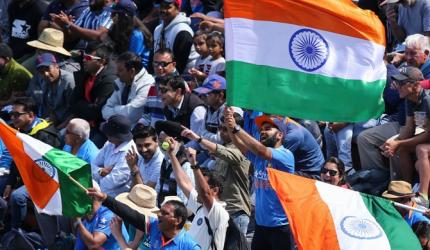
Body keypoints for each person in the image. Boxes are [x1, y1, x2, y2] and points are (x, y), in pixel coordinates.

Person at [224, 108, 295, 250]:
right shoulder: (259, 158)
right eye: (261, 129)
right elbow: (240, 145)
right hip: (261, 226)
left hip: (281, 226)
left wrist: (236, 128)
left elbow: (261, 150)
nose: (262, 131)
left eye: (268, 129)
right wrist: (229, 126)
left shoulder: (285, 155)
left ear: (280, 135)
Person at [180, 113, 252, 235]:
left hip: (236, 211)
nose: (222, 132)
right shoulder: (222, 150)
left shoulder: (242, 149)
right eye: (220, 128)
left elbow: (223, 152)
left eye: (226, 129)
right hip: (220, 211)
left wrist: (198, 139)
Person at [87, 185, 201, 249]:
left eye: (165, 213)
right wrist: (105, 198)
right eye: (160, 211)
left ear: (178, 220)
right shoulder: (155, 226)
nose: (159, 215)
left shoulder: (189, 246)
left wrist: (119, 237)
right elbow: (131, 215)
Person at [165, 136, 229, 249]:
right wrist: (171, 154)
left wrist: (194, 164)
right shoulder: (200, 205)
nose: (197, 189)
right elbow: (184, 182)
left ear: (214, 191)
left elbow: (205, 194)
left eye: (201, 186)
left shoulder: (218, 212)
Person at [381, 67, 430, 206]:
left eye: (402, 83)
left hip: (428, 139)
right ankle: (405, 188)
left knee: (421, 149)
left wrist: (399, 143)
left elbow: (427, 136)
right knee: (402, 148)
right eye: (398, 83)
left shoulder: (427, 100)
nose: (398, 87)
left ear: (415, 85)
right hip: (427, 136)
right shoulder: (410, 99)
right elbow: (409, 129)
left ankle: (423, 196)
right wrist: (393, 142)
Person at [70, 42, 116, 147]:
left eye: (88, 58)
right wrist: (82, 105)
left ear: (102, 61)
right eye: (84, 56)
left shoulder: (109, 80)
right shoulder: (86, 73)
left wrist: (80, 104)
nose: (84, 60)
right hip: (84, 121)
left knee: (82, 147)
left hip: (101, 128)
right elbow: (72, 101)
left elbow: (97, 111)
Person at [102, 52, 155, 124]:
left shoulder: (148, 85)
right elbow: (105, 110)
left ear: (132, 71)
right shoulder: (122, 81)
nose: (116, 73)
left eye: (120, 70)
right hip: (118, 128)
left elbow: (130, 115)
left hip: (137, 132)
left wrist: (115, 109)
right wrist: (123, 110)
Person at [74, 181, 128, 250]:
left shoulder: (109, 214)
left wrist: (78, 222)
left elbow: (94, 244)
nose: (75, 200)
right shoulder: (84, 221)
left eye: (78, 195)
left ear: (90, 196)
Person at [91, 115, 134, 197]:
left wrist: (97, 176)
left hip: (114, 199)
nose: (106, 135)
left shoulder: (129, 152)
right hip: (99, 193)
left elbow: (111, 183)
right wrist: (101, 171)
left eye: (109, 133)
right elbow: (92, 165)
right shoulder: (109, 143)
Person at [153, 0, 199, 74]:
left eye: (168, 7)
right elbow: (153, 56)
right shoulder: (158, 29)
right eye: (161, 6)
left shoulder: (183, 31)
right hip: (163, 74)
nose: (163, 10)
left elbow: (179, 65)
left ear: (178, 8)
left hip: (186, 77)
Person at [35, 53, 75, 129]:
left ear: (56, 66)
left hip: (69, 122)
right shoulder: (44, 81)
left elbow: (74, 112)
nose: (46, 74)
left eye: (48, 69)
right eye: (42, 72)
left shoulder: (69, 82)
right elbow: (49, 106)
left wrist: (58, 129)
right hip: (54, 118)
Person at [109, 0, 152, 68]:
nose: (111, 17)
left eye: (114, 14)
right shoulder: (117, 28)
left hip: (137, 69)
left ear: (123, 16)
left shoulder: (136, 35)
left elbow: (131, 59)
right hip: (123, 65)